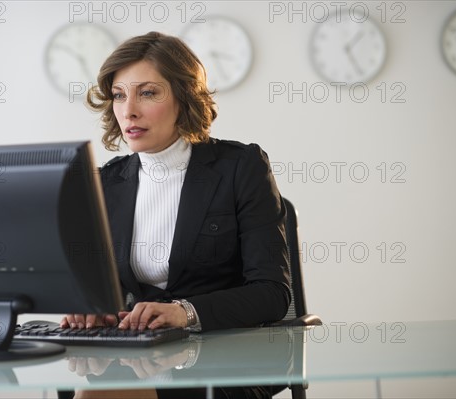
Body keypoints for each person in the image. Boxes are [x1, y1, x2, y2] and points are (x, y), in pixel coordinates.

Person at [59, 31, 291, 399]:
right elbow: (108, 290)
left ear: (184, 98)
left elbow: (273, 293)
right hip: (141, 357)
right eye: (119, 95)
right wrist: (95, 312)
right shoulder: (107, 182)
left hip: (229, 360)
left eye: (147, 92)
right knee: (85, 390)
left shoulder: (240, 167)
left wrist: (186, 313)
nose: (128, 110)